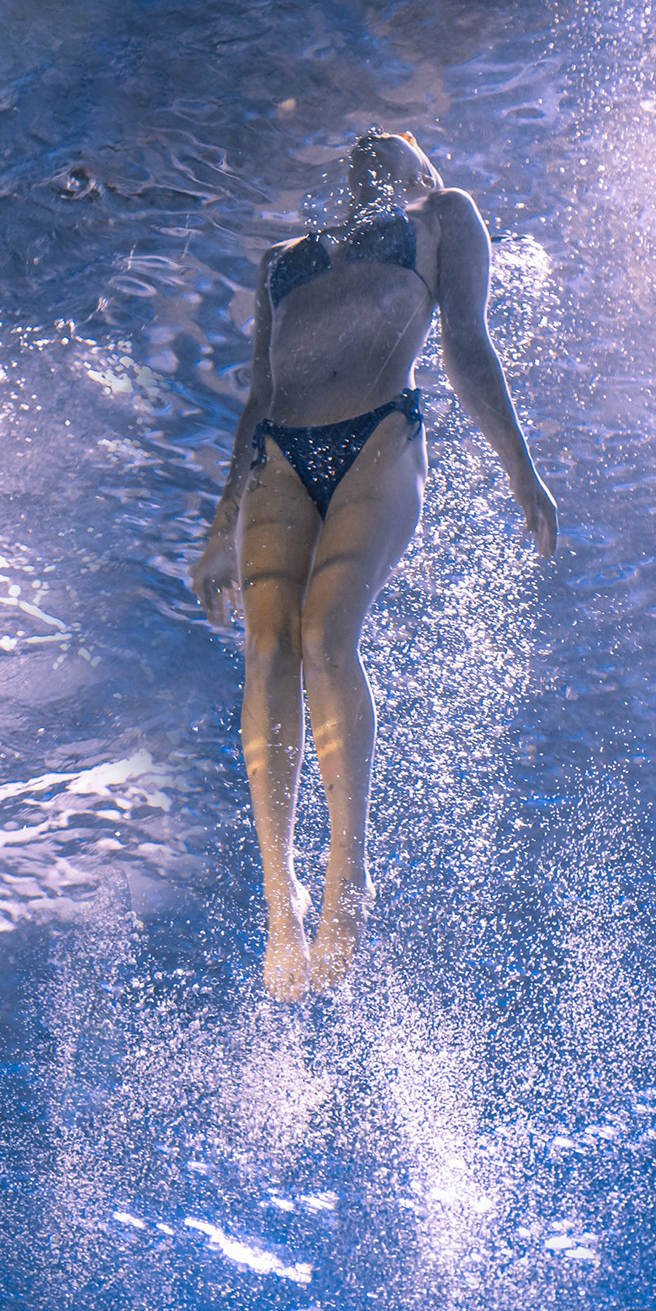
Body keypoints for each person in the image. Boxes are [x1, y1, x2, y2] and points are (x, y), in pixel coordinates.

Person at [192, 127, 558, 1001]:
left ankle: (348, 871)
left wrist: (519, 469)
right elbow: (259, 397)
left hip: (378, 435)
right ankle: (280, 897)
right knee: (267, 649)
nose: (370, 142)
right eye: (362, 143)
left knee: (325, 636)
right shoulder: (284, 260)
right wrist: (219, 528)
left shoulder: (442, 218)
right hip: (281, 454)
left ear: (416, 171)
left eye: (392, 143)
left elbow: (466, 347)